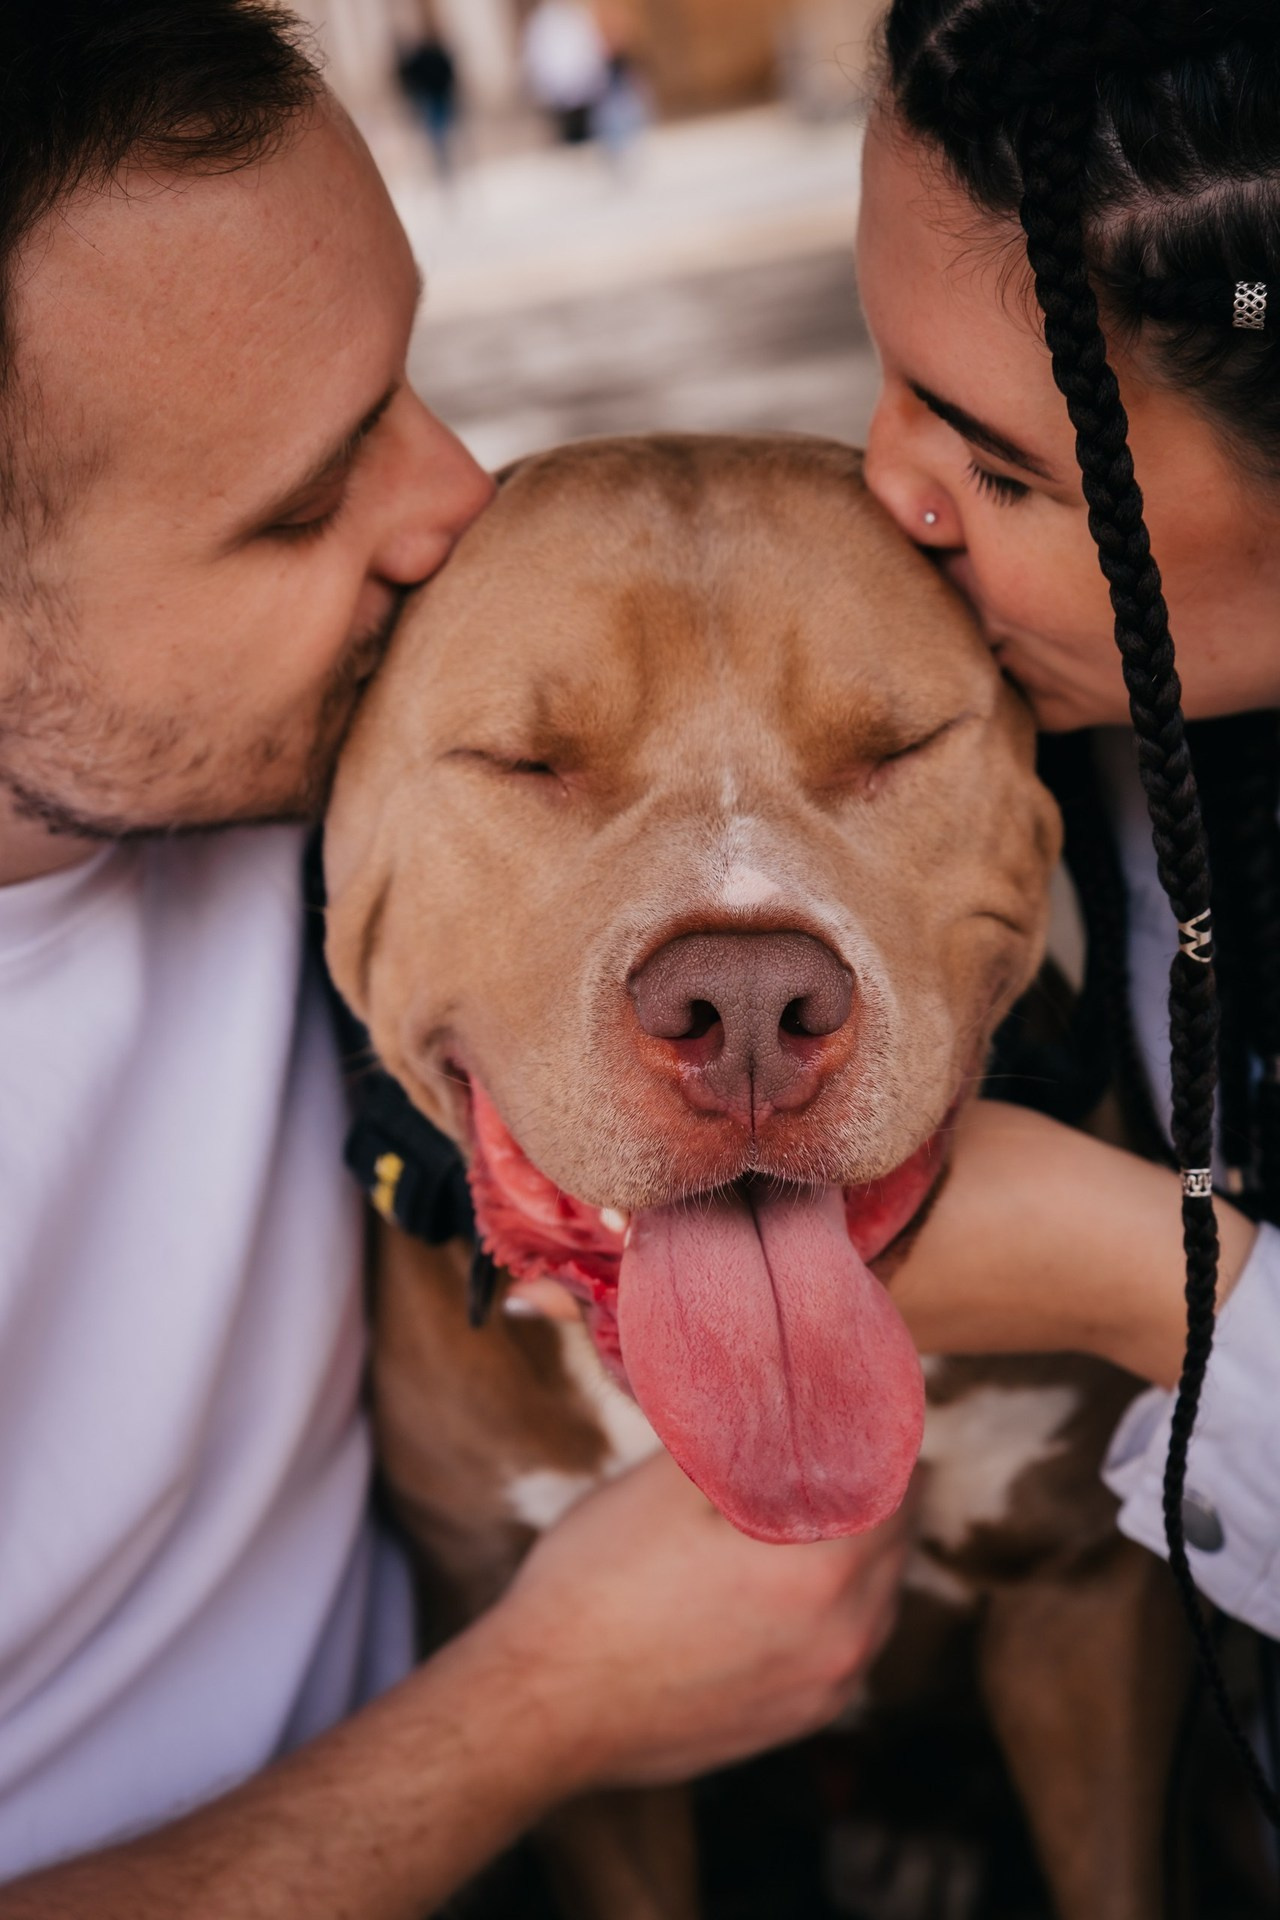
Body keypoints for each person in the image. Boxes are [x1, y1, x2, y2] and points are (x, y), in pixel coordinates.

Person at [0, 2, 915, 1910]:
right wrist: (546, 1707)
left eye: (414, 381)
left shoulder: (356, 773)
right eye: (306, 501)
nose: (456, 504)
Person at [853, 0, 1280, 1707]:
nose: (889, 486)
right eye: (873, 363)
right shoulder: (1077, 721)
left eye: (1002, 466)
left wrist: (1153, 1288)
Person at [521, 0, 609, 147]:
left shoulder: (577, 15)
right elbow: (538, 57)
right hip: (558, 97)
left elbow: (591, 48)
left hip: (583, 93)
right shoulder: (544, 20)